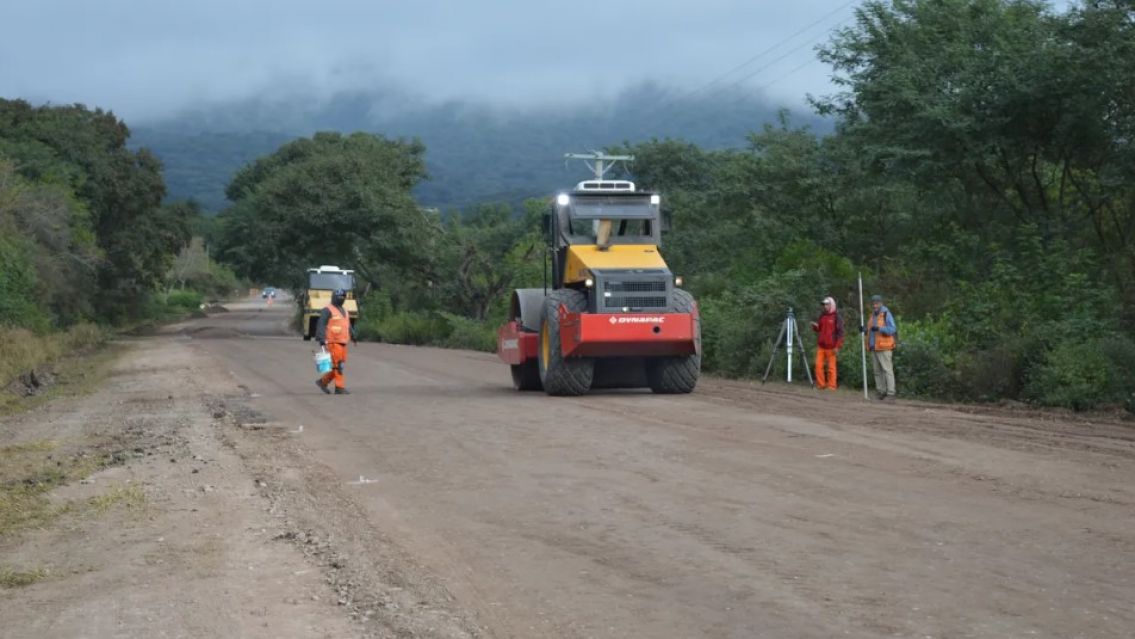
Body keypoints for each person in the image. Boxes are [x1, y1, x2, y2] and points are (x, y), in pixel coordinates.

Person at [315, 288, 357, 395]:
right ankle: (339, 387)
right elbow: (321, 324)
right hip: (332, 342)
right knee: (338, 365)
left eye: (343, 297)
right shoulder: (327, 310)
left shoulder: (345, 311)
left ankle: (322, 382)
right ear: (333, 297)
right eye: (339, 297)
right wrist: (321, 338)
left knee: (339, 365)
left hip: (343, 342)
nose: (341, 298)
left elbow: (347, 325)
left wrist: (353, 335)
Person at [867, 294, 897, 400]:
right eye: (873, 304)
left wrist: (880, 328)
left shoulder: (886, 314)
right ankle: (881, 392)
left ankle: (890, 393)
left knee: (887, 370)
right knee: (877, 371)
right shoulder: (872, 316)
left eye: (876, 303)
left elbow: (892, 329)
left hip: (884, 347)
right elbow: (871, 331)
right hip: (874, 347)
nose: (874, 306)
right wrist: (865, 330)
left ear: (881, 303)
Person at [810, 296, 844, 390]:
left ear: (832, 305)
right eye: (824, 304)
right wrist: (815, 327)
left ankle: (832, 386)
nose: (825, 306)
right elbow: (819, 329)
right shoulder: (822, 316)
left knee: (831, 368)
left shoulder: (837, 317)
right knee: (818, 366)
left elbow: (840, 333)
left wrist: (837, 346)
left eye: (827, 304)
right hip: (821, 346)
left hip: (832, 347)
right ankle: (821, 385)